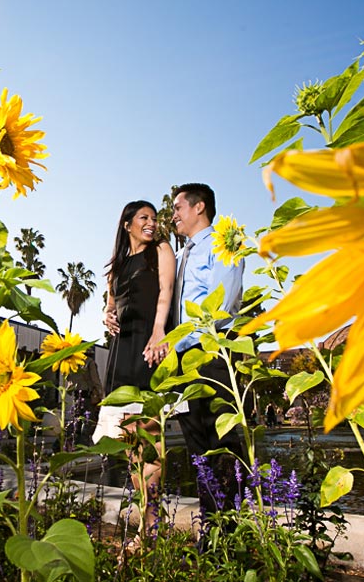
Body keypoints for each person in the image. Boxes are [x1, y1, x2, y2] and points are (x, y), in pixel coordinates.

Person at [95, 200, 175, 544]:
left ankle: (151, 528)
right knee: (129, 444)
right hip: (121, 352)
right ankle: (146, 519)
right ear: (127, 223)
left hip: (148, 345)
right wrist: (106, 316)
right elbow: (111, 305)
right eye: (144, 217)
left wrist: (160, 333)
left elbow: (166, 294)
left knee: (150, 438)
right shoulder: (117, 268)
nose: (151, 223)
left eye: (154, 218)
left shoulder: (161, 250)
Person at [167, 183, 245, 518]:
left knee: (221, 438)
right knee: (196, 442)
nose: (173, 216)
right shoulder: (183, 253)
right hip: (184, 359)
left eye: (178, 208)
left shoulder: (224, 243)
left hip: (212, 352)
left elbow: (222, 303)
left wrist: (196, 340)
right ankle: (211, 524)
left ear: (199, 207)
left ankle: (231, 525)